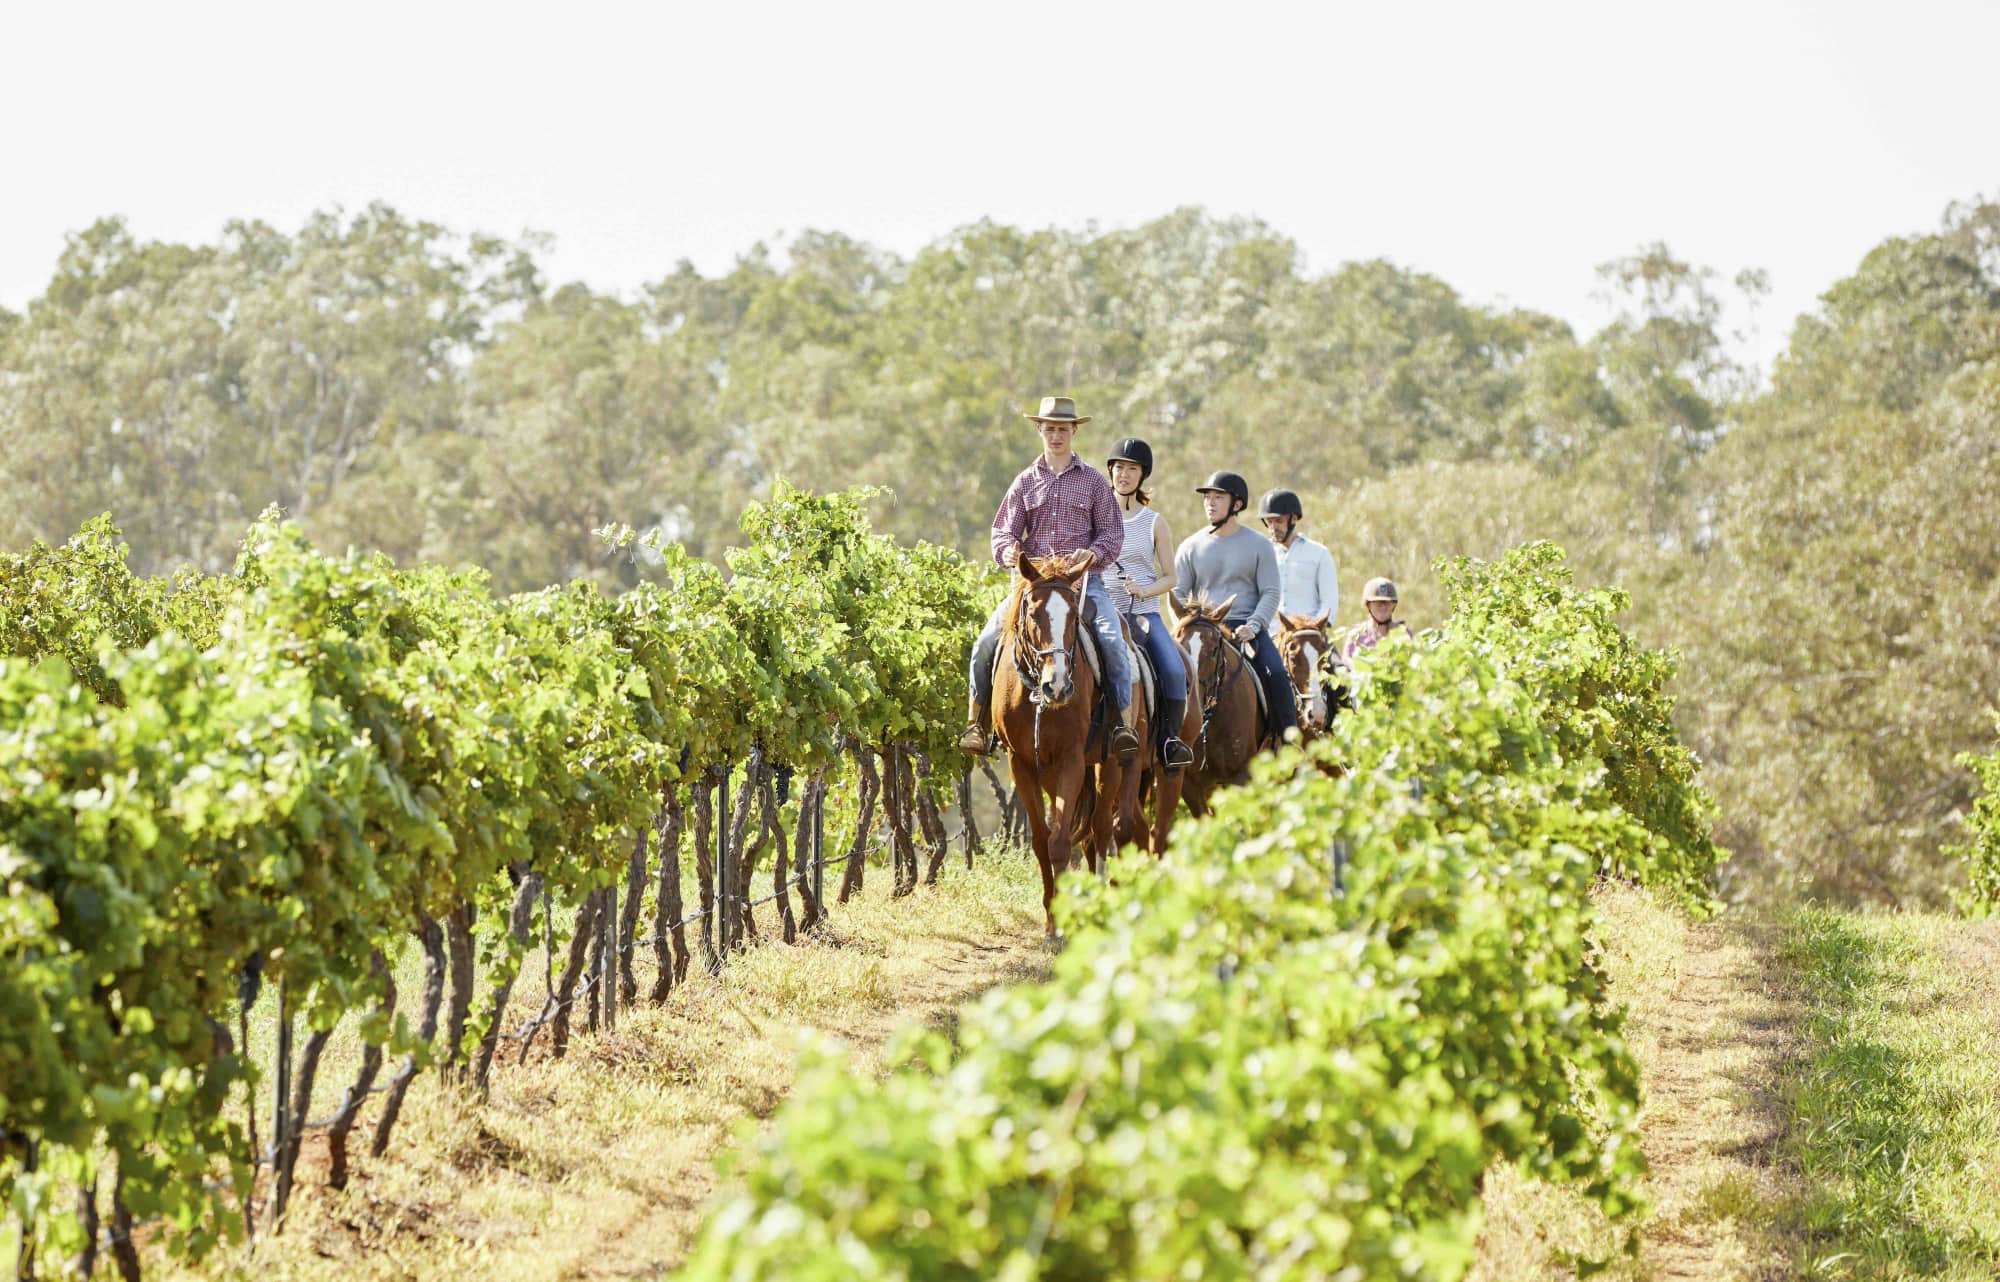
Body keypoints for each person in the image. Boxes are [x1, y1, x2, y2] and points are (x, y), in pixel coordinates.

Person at [959, 396, 1142, 762]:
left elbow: (1111, 534)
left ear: (1074, 431)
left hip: (1084, 586)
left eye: (1063, 428)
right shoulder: (1024, 482)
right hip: (1033, 589)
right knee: (984, 644)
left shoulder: (1092, 482)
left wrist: (1092, 553)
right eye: (1050, 428)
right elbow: (1002, 532)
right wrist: (1008, 550)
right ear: (1040, 430)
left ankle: (1123, 726)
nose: (1056, 435)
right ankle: (977, 726)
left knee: (1114, 646)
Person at [1172, 471, 1299, 743]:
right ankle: (1163, 745)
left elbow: (1270, 591)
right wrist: (1184, 625)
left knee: (1276, 674)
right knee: (1166, 672)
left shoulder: (1260, 545)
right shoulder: (1189, 547)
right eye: (1207, 497)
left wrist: (1254, 626)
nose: (1210, 503)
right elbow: (1178, 593)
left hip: (1244, 629)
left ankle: (1288, 744)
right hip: (1202, 631)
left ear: (1237, 505)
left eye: (1218, 497)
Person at [1103, 436, 1195, 770]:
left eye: (1131, 469)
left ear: (1142, 476)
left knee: (1173, 669)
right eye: (1118, 468)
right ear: (1110, 471)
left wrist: (1144, 590)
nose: (1123, 475)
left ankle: (1170, 739)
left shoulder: (1154, 522)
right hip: (1099, 610)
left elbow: (1171, 578)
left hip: (1142, 614)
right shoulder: (1094, 515)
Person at [1257, 489, 1339, 621]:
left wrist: (1314, 628)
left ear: (1293, 519)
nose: (1273, 527)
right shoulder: (1260, 553)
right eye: (1269, 522)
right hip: (1269, 633)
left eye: (1278, 521)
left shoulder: (1319, 553)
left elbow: (1329, 602)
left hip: (1308, 634)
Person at [1343, 578, 1416, 658]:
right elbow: (1346, 663)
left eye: (1387, 602)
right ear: (1368, 605)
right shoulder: (1356, 636)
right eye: (1378, 602)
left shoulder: (1405, 633)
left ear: (1393, 605)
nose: (1383, 606)